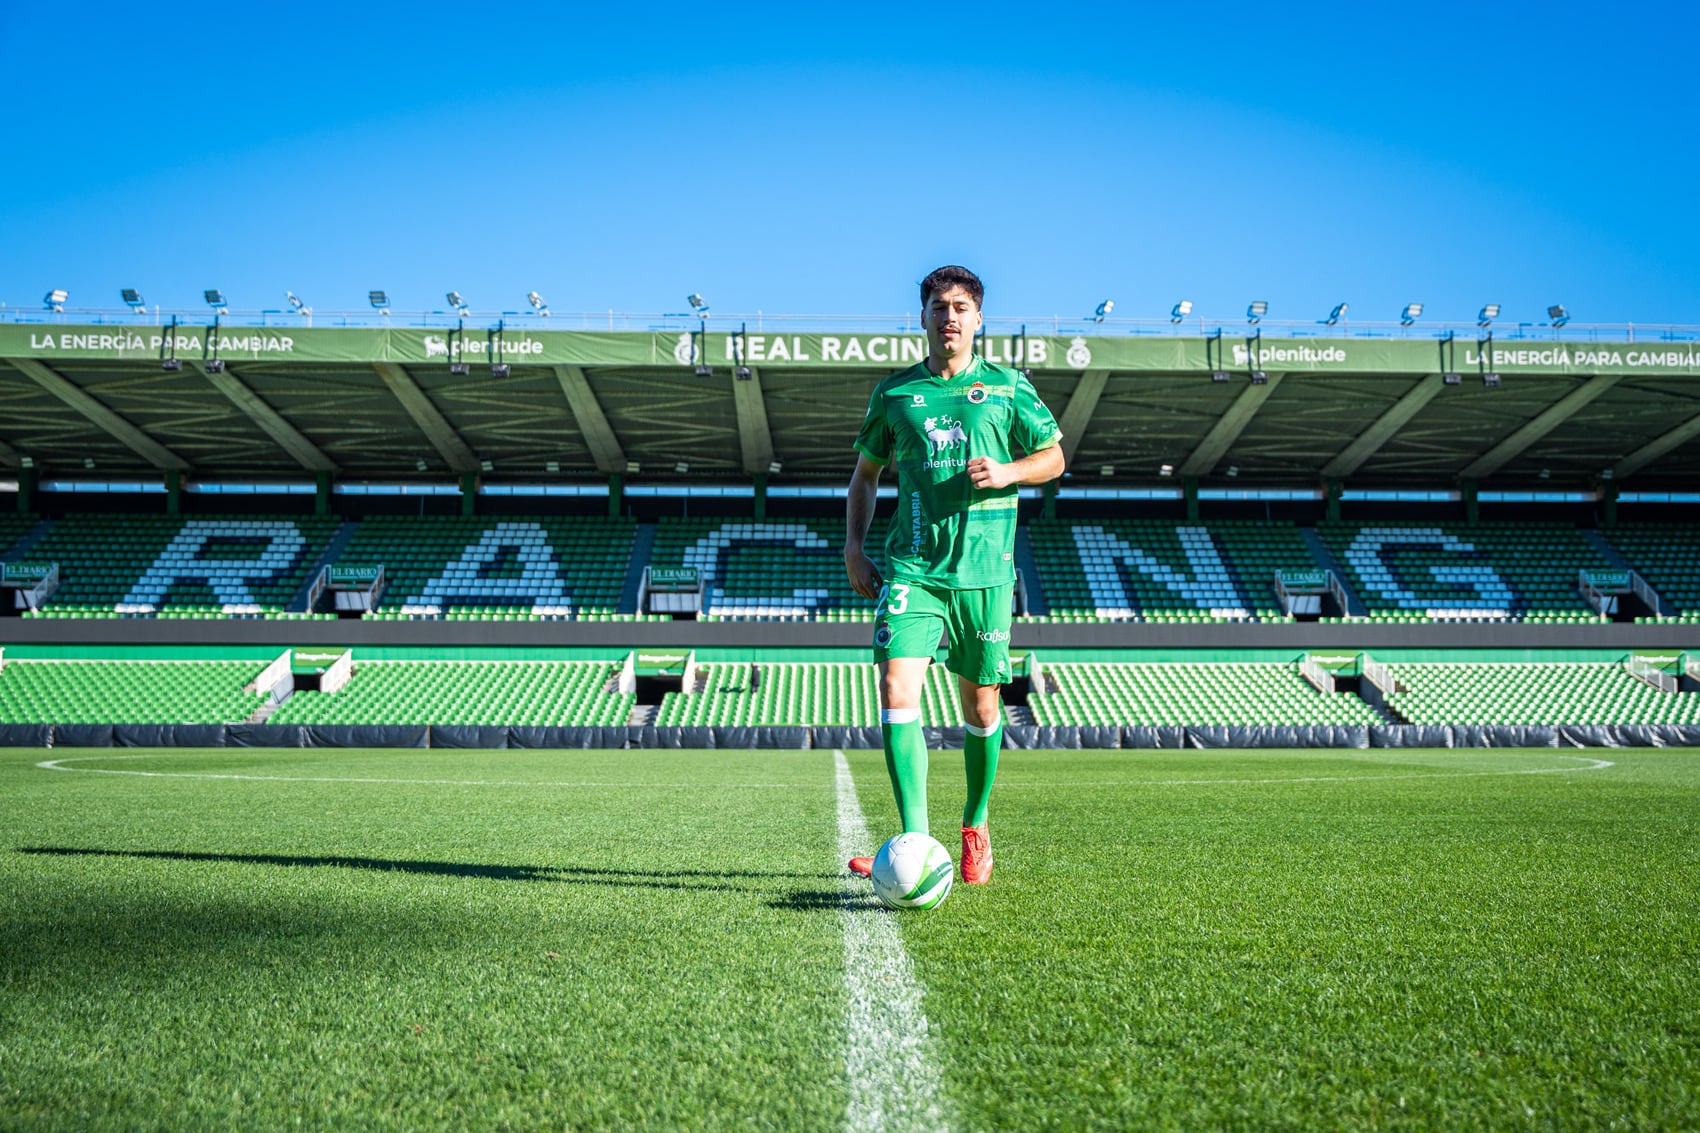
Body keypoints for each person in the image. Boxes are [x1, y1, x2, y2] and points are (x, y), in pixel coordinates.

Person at [844, 265, 1064, 885]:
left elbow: (1055, 456)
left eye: (961, 307)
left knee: (982, 707)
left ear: (978, 318)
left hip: (985, 575)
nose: (950, 317)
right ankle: (915, 838)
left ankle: (974, 822)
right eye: (939, 306)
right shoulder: (895, 394)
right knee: (895, 688)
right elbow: (866, 475)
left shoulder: (1009, 387)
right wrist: (854, 548)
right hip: (913, 568)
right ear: (922, 317)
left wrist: (1009, 472)